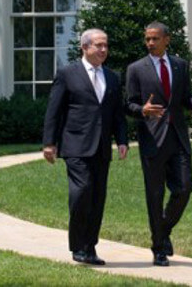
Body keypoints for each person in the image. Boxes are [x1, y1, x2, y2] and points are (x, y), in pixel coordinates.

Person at [42, 28, 129, 265]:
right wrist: (49, 143)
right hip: (75, 146)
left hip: (101, 148)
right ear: (85, 47)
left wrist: (122, 140)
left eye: (106, 46)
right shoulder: (67, 74)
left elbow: (117, 114)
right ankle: (78, 246)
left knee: (97, 198)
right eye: (98, 45)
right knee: (82, 193)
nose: (103, 50)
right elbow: (54, 111)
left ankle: (90, 247)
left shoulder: (112, 77)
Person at [125, 21, 192, 266]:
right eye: (147, 39)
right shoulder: (136, 69)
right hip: (152, 139)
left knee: (184, 188)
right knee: (155, 194)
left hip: (178, 137)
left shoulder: (180, 65)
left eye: (155, 39)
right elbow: (128, 104)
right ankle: (158, 248)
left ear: (166, 40)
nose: (150, 43)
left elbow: (185, 97)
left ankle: (163, 230)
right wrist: (143, 110)